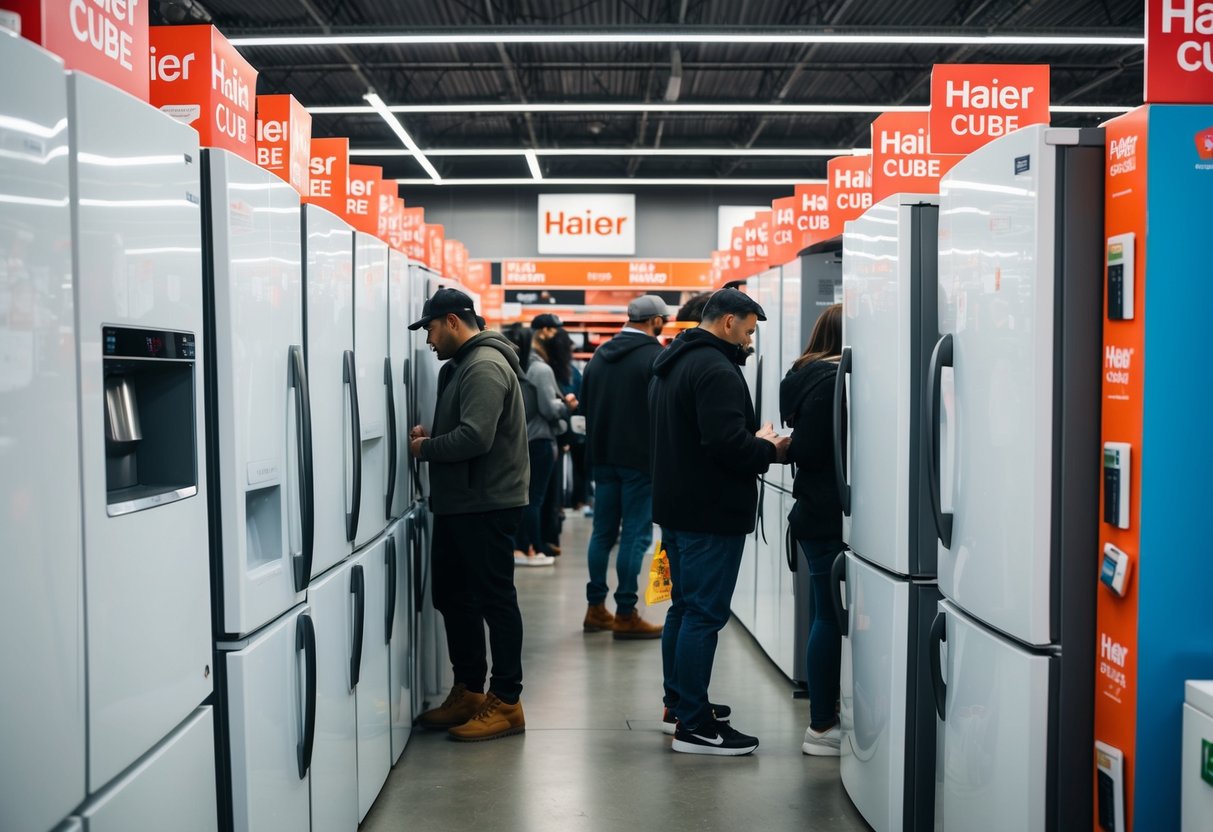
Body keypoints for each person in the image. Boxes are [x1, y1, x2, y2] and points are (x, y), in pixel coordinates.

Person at [649, 288, 791, 755]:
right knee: (704, 615)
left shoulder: (675, 361)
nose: (750, 341)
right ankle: (694, 725)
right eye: (749, 330)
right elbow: (727, 446)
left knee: (685, 609)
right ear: (728, 322)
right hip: (709, 513)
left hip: (678, 506)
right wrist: (769, 447)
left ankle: (681, 703)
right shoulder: (716, 370)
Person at [407, 288, 530, 742]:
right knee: (454, 597)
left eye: (432, 329)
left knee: (495, 602)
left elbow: (477, 438)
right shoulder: (462, 366)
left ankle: (507, 701)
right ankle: (470, 691)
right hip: (463, 502)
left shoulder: (483, 366)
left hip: (487, 504)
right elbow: (469, 431)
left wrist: (425, 448)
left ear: (454, 322)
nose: (429, 341)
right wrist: (436, 438)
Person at [580, 295, 669, 640]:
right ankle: (626, 613)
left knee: (602, 533)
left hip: (602, 457)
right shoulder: (656, 357)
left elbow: (584, 405)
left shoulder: (600, 354)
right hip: (640, 459)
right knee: (635, 534)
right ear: (654, 321)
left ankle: (595, 608)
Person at [779, 304, 846, 756]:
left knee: (827, 615)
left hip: (813, 511)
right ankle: (822, 726)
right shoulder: (832, 382)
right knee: (829, 616)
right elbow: (816, 448)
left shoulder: (802, 375)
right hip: (830, 513)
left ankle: (826, 720)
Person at [515, 313, 576, 565]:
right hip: (540, 438)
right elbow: (548, 409)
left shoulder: (526, 364)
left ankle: (529, 545)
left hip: (527, 438)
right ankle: (531, 548)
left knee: (529, 496)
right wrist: (567, 405)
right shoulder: (541, 368)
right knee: (535, 498)